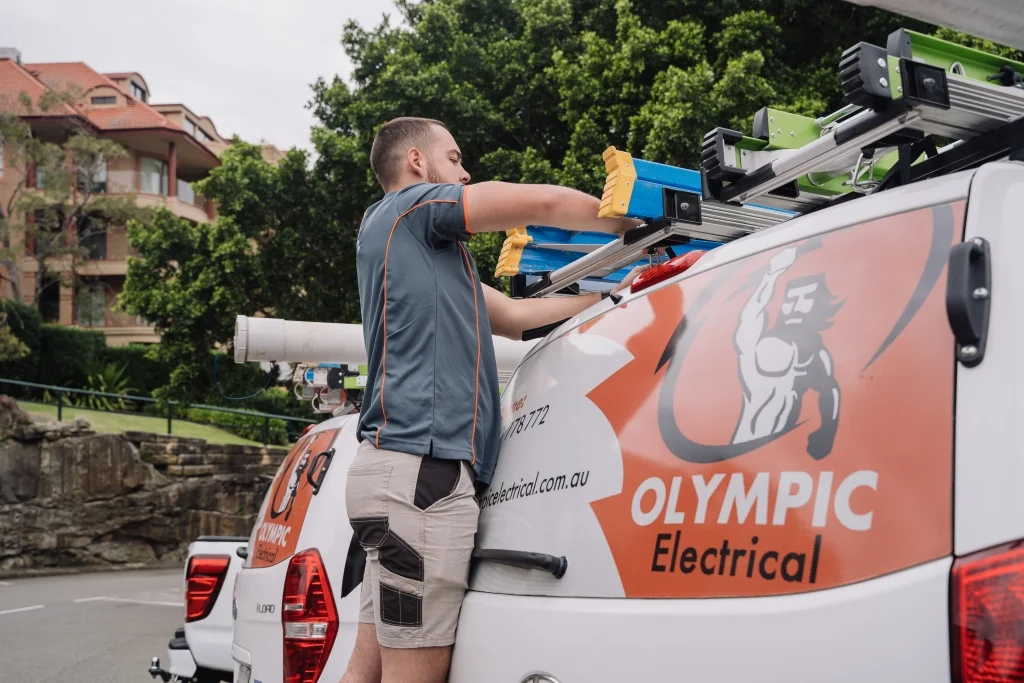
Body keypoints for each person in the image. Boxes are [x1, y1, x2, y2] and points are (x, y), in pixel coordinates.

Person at [342, 116, 647, 683]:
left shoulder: (420, 256)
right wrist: (629, 222)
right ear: (416, 163)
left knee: (365, 673)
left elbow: (516, 318)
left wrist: (613, 295)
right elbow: (540, 202)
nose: (465, 171)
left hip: (394, 480)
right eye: (454, 159)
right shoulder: (409, 212)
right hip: (422, 483)